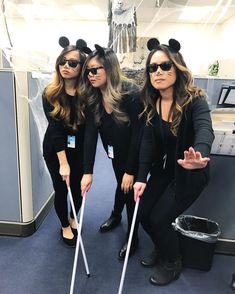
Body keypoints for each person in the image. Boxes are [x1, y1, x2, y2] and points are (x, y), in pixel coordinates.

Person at [133, 38, 214, 286]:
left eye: (165, 66)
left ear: (177, 68)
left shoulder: (194, 100)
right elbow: (147, 144)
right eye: (152, 68)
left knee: (159, 219)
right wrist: (140, 178)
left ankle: (172, 260)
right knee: (143, 214)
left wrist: (198, 155)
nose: (158, 72)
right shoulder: (153, 102)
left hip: (190, 173)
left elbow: (204, 129)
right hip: (165, 171)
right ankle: (162, 244)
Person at [80, 44, 142, 260]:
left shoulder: (131, 94)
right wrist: (88, 171)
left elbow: (138, 135)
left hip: (135, 152)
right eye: (88, 70)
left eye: (95, 69)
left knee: (130, 190)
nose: (90, 75)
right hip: (114, 151)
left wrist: (132, 170)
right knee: (120, 182)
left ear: (110, 68)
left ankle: (133, 238)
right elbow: (90, 134)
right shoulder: (94, 96)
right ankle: (116, 215)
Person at [42, 36, 87, 247]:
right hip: (56, 150)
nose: (66, 66)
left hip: (78, 150)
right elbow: (55, 129)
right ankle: (64, 224)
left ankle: (72, 216)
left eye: (72, 63)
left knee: (78, 189)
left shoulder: (88, 94)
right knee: (61, 189)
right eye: (62, 61)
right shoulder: (50, 93)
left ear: (82, 67)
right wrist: (63, 163)